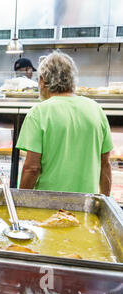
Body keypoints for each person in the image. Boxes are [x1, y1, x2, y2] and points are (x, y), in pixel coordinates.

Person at [16, 51, 113, 196]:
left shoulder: (39, 112)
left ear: (43, 81)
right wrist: (105, 201)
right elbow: (105, 165)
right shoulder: (96, 109)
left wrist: (20, 202)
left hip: (47, 205)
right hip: (85, 205)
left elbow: (32, 168)